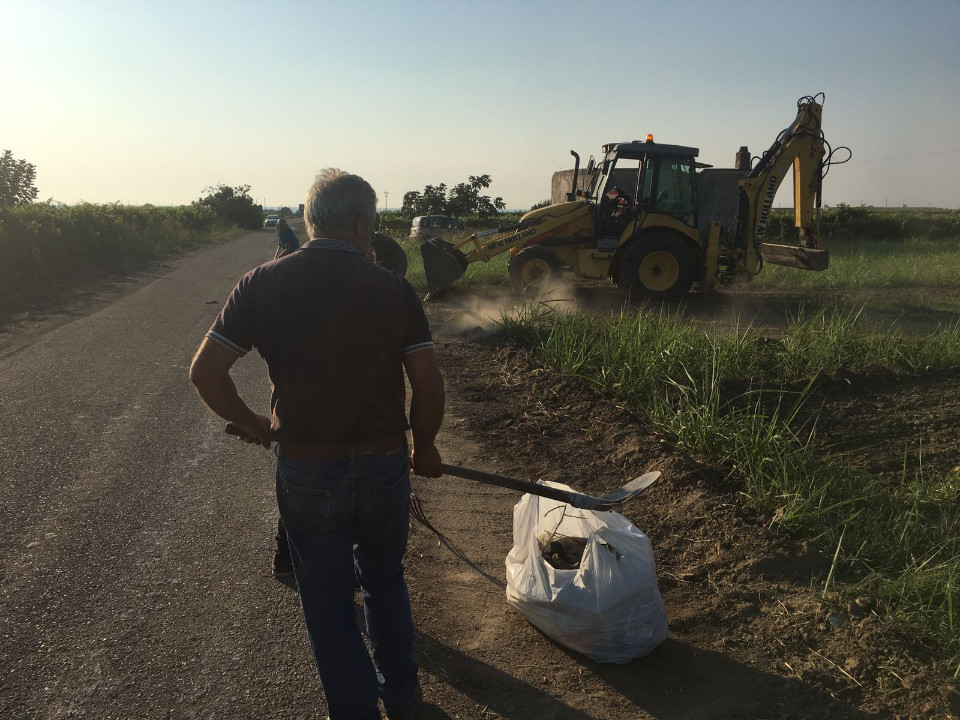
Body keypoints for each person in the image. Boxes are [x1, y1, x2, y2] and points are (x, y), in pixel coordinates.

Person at [189, 168, 445, 720]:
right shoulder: (393, 289)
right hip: (383, 465)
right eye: (372, 227)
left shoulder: (260, 283)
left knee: (328, 602)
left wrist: (254, 423)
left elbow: (205, 373)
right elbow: (428, 384)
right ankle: (402, 700)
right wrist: (424, 447)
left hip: (307, 471)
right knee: (384, 582)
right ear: (361, 225)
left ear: (309, 222)